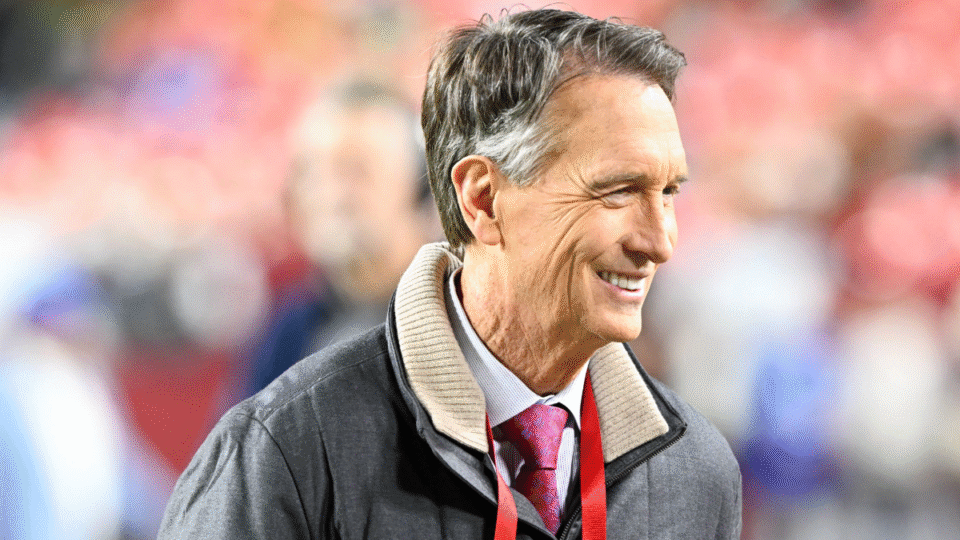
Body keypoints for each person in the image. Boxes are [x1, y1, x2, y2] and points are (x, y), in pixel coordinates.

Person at [159, 9, 742, 539]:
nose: (660, 242)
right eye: (617, 191)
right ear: (483, 199)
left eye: (668, 192)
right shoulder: (282, 452)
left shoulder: (697, 474)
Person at [248, 78, 436, 394]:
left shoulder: (467, 319)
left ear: (422, 185)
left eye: (357, 170)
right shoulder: (288, 331)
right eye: (312, 172)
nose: (331, 194)